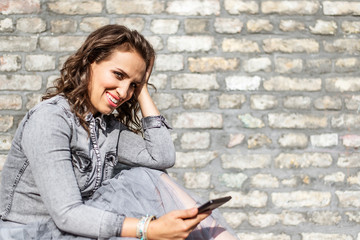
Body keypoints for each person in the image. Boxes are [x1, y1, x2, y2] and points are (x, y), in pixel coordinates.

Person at [0, 25, 238, 239]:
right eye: (119, 75)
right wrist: (148, 229)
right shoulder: (49, 119)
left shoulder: (106, 127)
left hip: (74, 230)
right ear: (90, 61)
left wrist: (142, 88)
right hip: (33, 233)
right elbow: (67, 214)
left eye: (133, 85)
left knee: (146, 175)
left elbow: (161, 158)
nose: (124, 92)